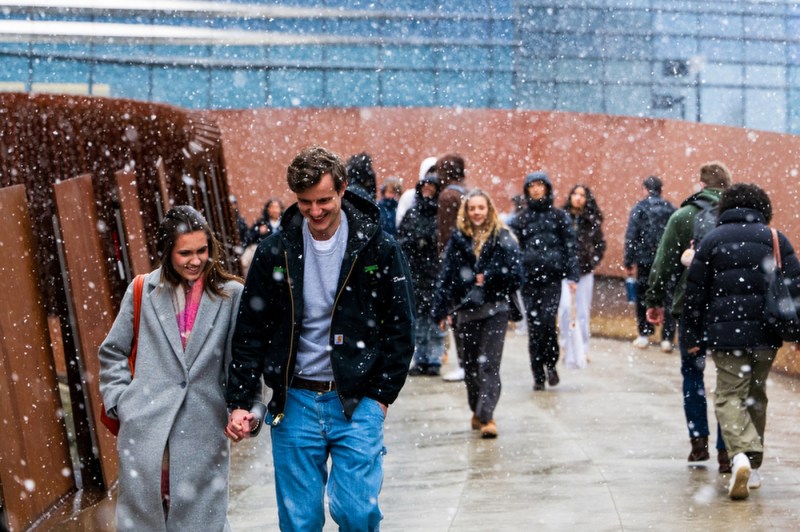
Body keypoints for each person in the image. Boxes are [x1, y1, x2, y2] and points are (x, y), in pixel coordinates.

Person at [224, 146, 415, 531]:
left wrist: (380, 397)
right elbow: (250, 332)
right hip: (294, 400)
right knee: (299, 520)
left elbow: (400, 327)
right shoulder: (275, 252)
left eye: (324, 200)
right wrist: (242, 400)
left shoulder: (377, 247)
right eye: (305, 202)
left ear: (343, 189)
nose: (315, 211)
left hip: (358, 398)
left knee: (357, 511)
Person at [98, 205, 243, 530]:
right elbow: (112, 352)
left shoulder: (231, 295)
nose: (195, 260)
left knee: (203, 523)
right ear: (167, 252)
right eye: (185, 253)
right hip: (145, 434)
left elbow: (242, 367)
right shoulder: (142, 289)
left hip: (203, 437)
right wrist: (122, 403)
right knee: (148, 522)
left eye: (202, 250)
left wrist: (246, 411)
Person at [683, 183, 800, 499]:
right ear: (763, 208)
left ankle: (740, 456)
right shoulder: (776, 239)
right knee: (755, 394)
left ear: (726, 209)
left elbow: (694, 294)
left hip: (725, 335)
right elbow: (795, 288)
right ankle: (754, 464)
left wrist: (692, 335)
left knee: (729, 394)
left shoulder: (712, 241)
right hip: (766, 334)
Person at [645, 161, 731, 471]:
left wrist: (654, 300)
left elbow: (663, 262)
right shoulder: (735, 219)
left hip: (691, 309)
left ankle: (698, 444)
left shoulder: (683, 216)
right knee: (728, 380)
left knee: (693, 375)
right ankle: (726, 450)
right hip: (727, 311)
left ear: (700, 184)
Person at [431, 188, 521, 438]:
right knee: (470, 368)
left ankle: (486, 416)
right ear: (466, 212)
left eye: (481, 208)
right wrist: (439, 310)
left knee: (489, 366)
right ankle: (478, 411)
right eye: (472, 208)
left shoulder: (502, 237)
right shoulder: (458, 240)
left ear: (489, 209)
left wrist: (490, 278)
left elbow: (516, 275)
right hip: (466, 311)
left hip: (496, 310)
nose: (477, 212)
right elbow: (446, 277)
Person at [510, 172, 579, 391]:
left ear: (547, 188)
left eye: (540, 185)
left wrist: (572, 275)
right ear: (527, 190)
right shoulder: (520, 219)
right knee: (534, 326)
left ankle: (551, 363)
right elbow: (512, 248)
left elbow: (570, 246)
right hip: (529, 280)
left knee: (548, 322)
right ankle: (537, 374)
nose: (537, 189)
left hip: (552, 278)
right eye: (532, 186)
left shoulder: (559, 217)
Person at [398, 171, 445, 376]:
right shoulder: (412, 213)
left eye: (431, 187)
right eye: (424, 186)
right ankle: (420, 359)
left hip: (434, 274)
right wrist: (415, 243)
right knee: (418, 321)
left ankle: (434, 359)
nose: (427, 190)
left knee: (434, 319)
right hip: (416, 274)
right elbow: (401, 240)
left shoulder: (441, 215)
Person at [623, 176, 677, 351]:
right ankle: (667, 338)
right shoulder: (670, 208)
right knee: (668, 297)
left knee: (643, 296)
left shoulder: (639, 208)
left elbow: (632, 235)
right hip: (666, 260)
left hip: (645, 260)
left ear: (645, 189)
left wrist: (629, 260)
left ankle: (644, 334)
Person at [557, 184, 606, 368]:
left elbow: (600, 244)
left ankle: (583, 348)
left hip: (584, 272)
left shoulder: (590, 220)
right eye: (575, 194)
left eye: (582, 195)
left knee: (583, 311)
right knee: (564, 310)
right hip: (563, 272)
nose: (578, 198)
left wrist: (591, 261)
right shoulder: (562, 217)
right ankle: (565, 345)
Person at [435, 153, 469, 382]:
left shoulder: (448, 196)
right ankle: (471, 363)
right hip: (468, 262)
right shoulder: (465, 192)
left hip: (455, 264)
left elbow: (446, 235)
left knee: (456, 315)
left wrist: (443, 262)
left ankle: (464, 364)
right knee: (467, 314)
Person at [396, 156, 437, 227]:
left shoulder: (442, 197)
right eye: (430, 172)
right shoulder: (409, 196)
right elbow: (400, 222)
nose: (432, 177)